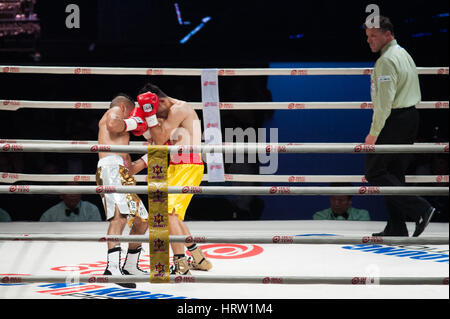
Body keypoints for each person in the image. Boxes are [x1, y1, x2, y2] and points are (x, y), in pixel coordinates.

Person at [363, 16, 436, 237]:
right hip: (410, 117)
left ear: (388, 35)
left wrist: (373, 134)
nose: (369, 40)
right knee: (394, 173)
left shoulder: (386, 61)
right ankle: (397, 227)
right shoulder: (403, 53)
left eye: (374, 35)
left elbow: (384, 105)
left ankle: (421, 208)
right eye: (367, 36)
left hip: (394, 119)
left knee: (374, 171)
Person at [136, 83, 212, 275]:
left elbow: (160, 138)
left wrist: (151, 117)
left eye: (155, 110)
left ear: (160, 101)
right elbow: (155, 140)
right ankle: (199, 259)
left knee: (168, 214)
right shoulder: (167, 114)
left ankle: (180, 263)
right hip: (174, 167)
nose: (156, 116)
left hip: (189, 166)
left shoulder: (180, 109)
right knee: (174, 217)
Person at [96, 93, 150, 288]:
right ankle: (112, 268)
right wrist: (134, 122)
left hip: (121, 171)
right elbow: (113, 124)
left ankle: (130, 266)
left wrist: (145, 158)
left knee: (142, 220)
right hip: (111, 168)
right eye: (132, 111)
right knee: (118, 218)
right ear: (125, 107)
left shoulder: (122, 133)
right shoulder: (115, 110)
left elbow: (131, 164)